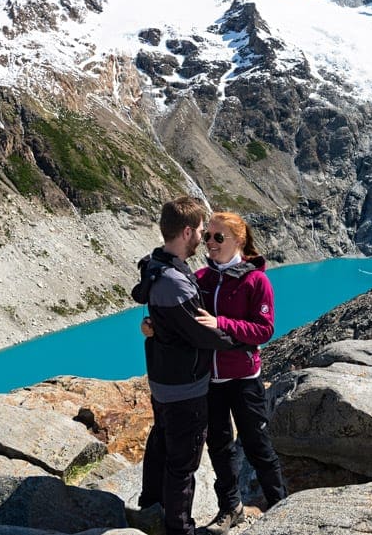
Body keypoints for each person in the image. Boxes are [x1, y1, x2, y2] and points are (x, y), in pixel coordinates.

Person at [131, 197, 246, 535]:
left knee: (162, 444)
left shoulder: (156, 264)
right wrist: (241, 341)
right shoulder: (176, 282)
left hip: (163, 381)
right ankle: (179, 527)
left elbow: (164, 319)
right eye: (199, 230)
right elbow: (201, 333)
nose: (203, 237)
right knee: (183, 463)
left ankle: (150, 508)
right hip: (185, 385)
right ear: (185, 231)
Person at [193, 212, 288, 534]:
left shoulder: (256, 280)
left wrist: (221, 324)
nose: (210, 243)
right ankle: (229, 508)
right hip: (211, 380)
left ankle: (282, 508)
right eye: (207, 236)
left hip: (244, 379)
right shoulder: (202, 278)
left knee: (257, 444)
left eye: (219, 237)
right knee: (219, 446)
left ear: (239, 241)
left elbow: (264, 330)